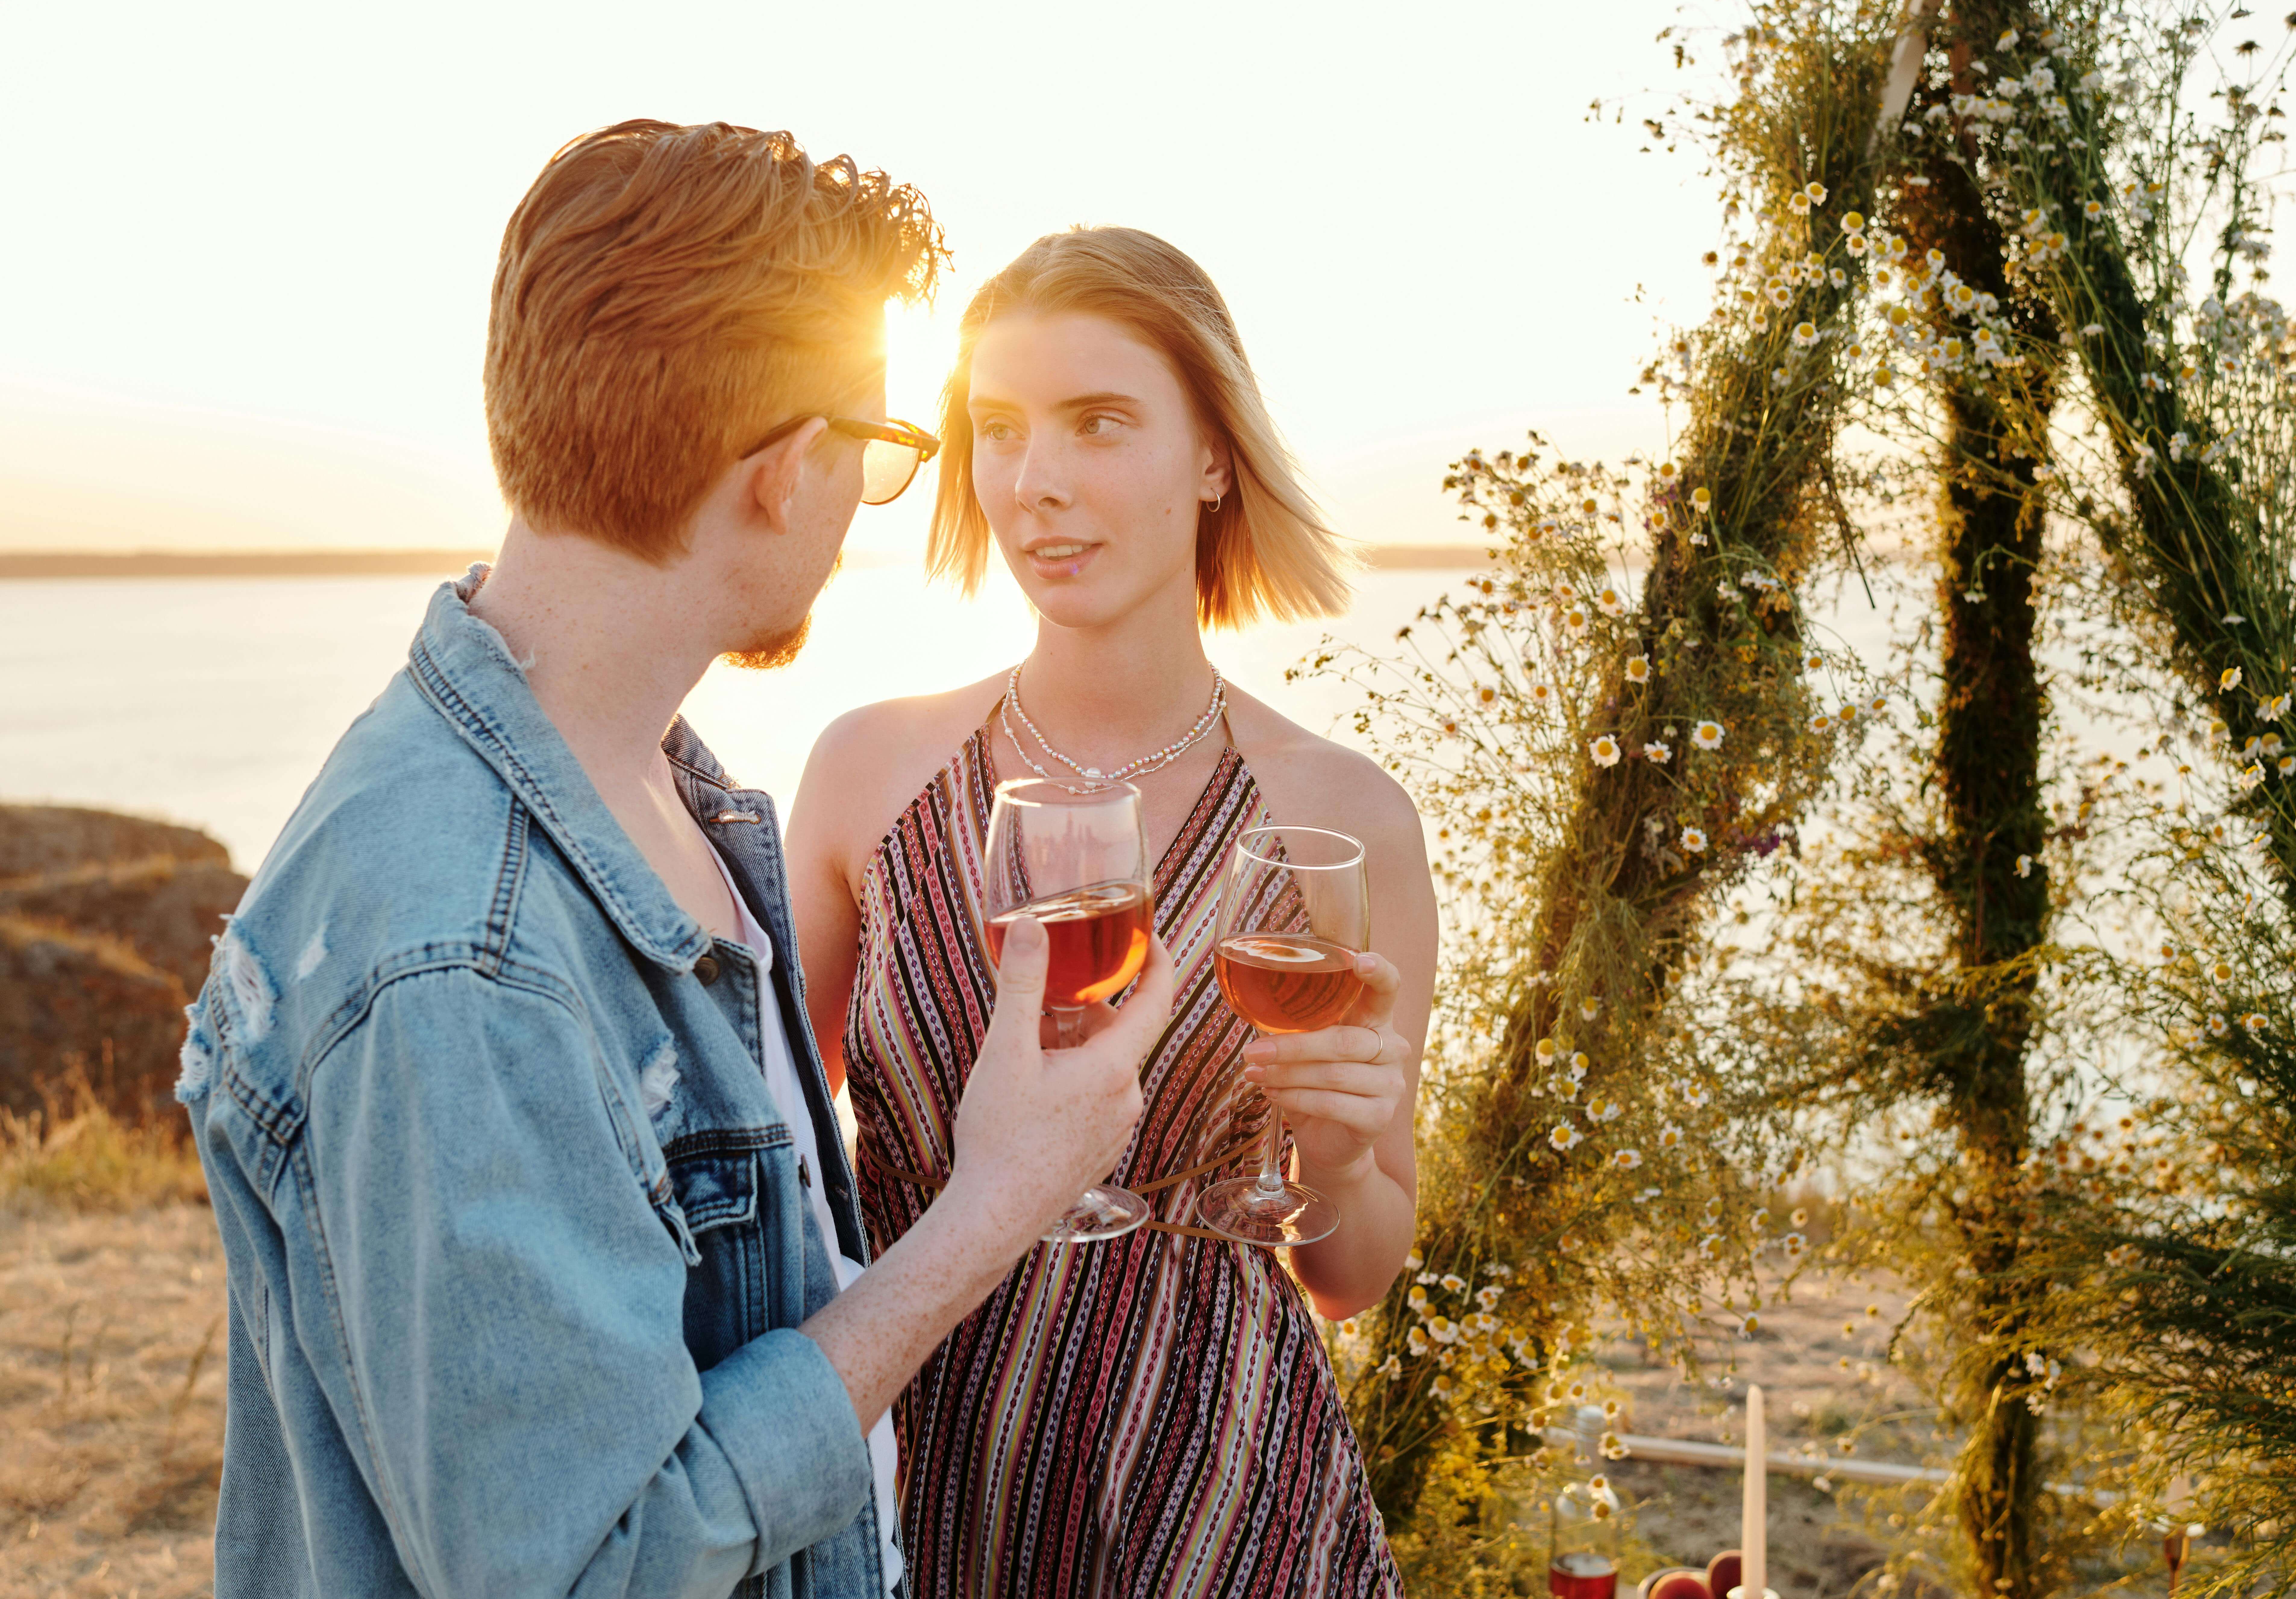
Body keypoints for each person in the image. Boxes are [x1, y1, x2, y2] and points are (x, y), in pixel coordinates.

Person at [178, 121, 1170, 1599]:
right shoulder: (464, 953)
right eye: (887, 457)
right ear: (789, 470)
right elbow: (592, 1567)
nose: (861, 512)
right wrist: (995, 1200)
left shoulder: (659, 790)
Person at [785, 228, 1438, 1597]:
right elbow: (773, 1162)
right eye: (1000, 430)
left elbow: (1352, 1269)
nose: (1037, 483)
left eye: (1099, 425)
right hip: (922, 1461)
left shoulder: (1343, 814)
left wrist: (1334, 1138)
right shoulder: (866, 771)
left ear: (1212, 456)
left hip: (1220, 1493)